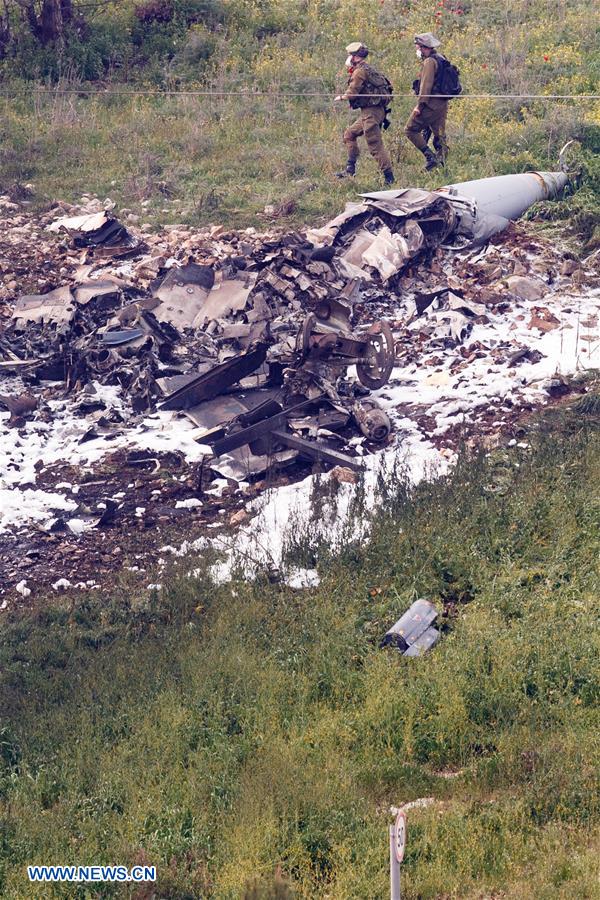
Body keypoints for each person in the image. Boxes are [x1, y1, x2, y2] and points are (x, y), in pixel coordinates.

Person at [335, 42, 395, 184]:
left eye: (350, 55)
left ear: (355, 57)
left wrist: (342, 97)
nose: (349, 58)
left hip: (371, 113)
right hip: (374, 112)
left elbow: (353, 91)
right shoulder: (368, 69)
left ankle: (389, 178)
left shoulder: (359, 71)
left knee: (375, 145)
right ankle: (350, 170)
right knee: (350, 134)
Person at [404, 32, 449, 170]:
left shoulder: (429, 62)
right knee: (439, 133)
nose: (417, 50)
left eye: (418, 47)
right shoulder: (441, 58)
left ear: (424, 47)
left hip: (430, 104)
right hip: (442, 103)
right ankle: (442, 164)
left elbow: (426, 87)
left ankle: (431, 158)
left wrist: (419, 106)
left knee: (410, 130)